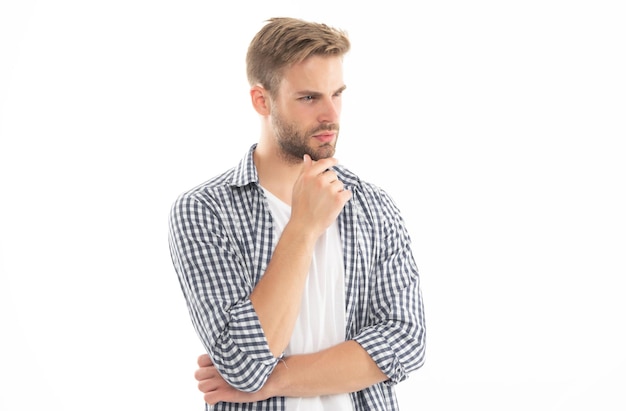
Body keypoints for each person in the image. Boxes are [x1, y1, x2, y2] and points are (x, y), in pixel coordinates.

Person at [168, 17, 426, 410]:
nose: (331, 115)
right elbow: (243, 365)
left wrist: (271, 382)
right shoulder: (205, 211)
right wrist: (303, 227)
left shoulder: (374, 206)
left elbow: (405, 342)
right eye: (309, 98)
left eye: (337, 94)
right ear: (262, 100)